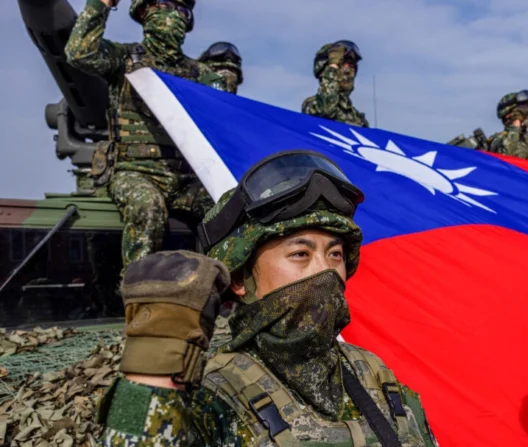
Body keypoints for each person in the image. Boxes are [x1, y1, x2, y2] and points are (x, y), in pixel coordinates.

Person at [95, 150, 439, 446]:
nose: (326, 272)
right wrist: (156, 358)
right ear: (242, 278)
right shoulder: (214, 394)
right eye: (301, 254)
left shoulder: (373, 373)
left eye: (335, 255)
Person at [65, 0, 231, 275]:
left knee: (228, 208)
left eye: (180, 10)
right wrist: (101, 4)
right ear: (144, 13)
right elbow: (79, 54)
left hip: (184, 179)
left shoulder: (201, 75)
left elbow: (224, 121)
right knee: (147, 208)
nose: (173, 15)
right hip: (134, 172)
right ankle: (138, 298)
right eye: (164, 5)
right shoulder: (124, 59)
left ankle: (223, 296)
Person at [302, 40, 369, 127]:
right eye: (343, 65)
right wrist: (333, 65)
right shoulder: (312, 105)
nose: (348, 71)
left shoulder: (359, 119)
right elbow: (326, 110)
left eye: (351, 66)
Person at [488, 90, 528, 161]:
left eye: (527, 106)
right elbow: (508, 160)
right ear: (507, 113)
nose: (526, 109)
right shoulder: (499, 140)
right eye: (522, 105)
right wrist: (515, 125)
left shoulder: (525, 143)